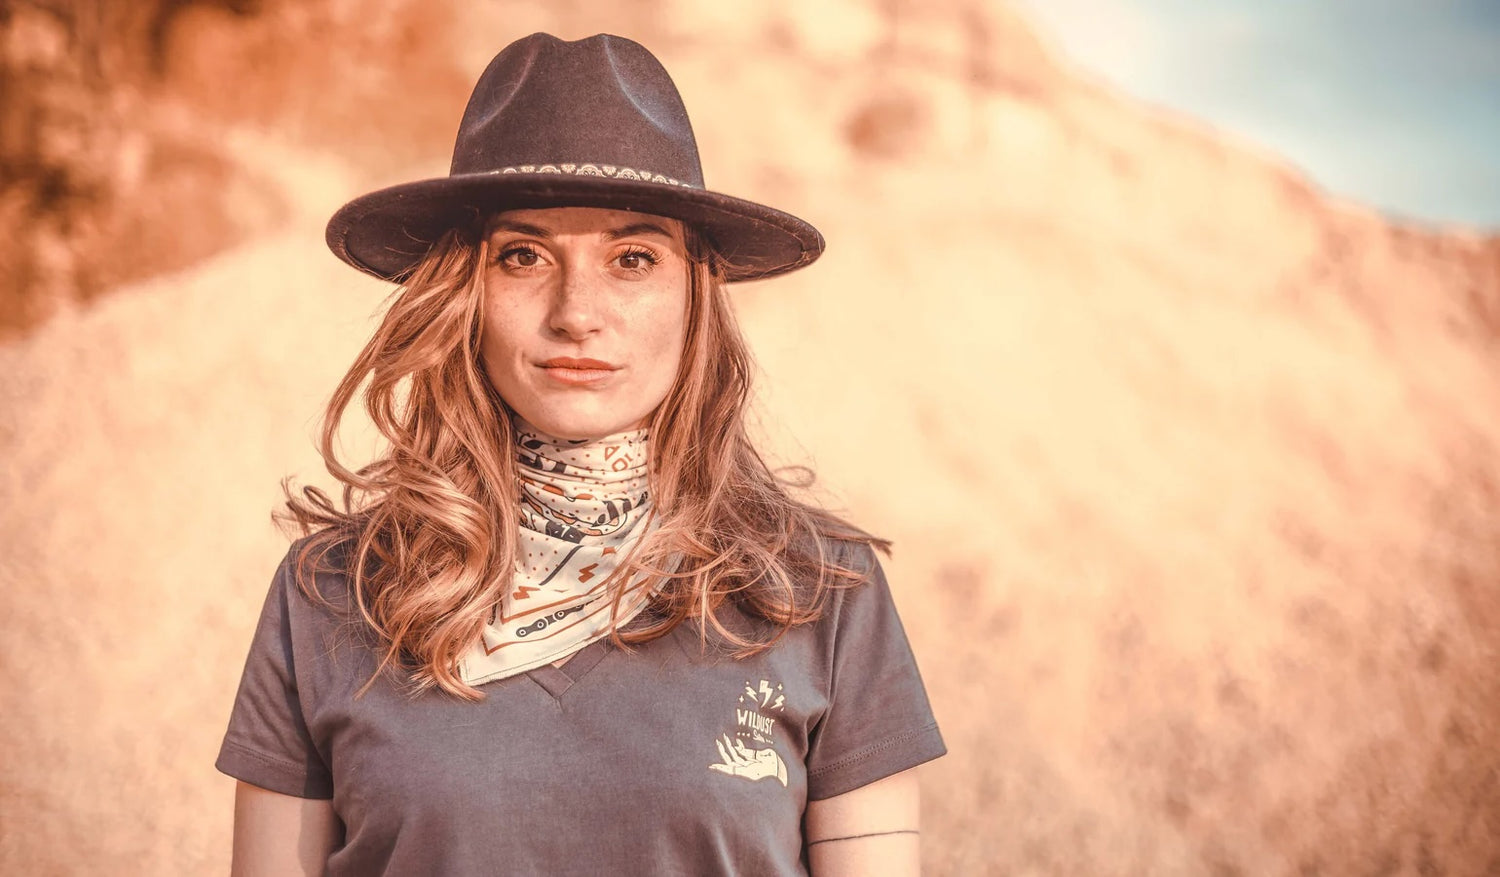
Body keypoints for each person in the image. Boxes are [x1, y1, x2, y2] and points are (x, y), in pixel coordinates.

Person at [216, 32, 945, 876]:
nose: (577, 312)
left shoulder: (820, 594)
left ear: (694, 297)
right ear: (462, 294)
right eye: (522, 256)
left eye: (633, 258)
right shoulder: (331, 592)